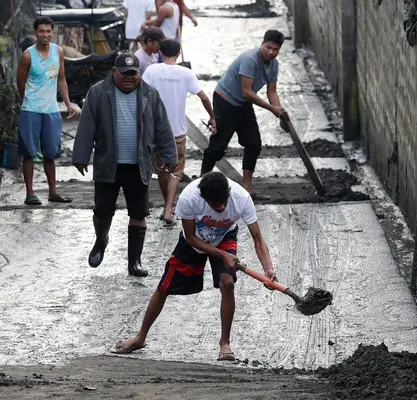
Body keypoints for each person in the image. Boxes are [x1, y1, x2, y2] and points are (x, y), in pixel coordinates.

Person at [113, 172, 276, 360]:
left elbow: (258, 238)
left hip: (225, 237)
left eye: (224, 203)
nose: (222, 208)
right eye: (217, 206)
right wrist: (221, 255)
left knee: (227, 283)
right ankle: (140, 337)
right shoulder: (190, 197)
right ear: (204, 198)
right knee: (164, 286)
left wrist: (268, 269)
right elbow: (190, 237)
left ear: (228, 193)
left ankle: (225, 344)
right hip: (195, 240)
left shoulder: (242, 198)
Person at [72, 53, 178, 277]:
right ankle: (101, 240)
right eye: (124, 73)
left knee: (139, 212)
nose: (129, 78)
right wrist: (81, 155)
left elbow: (162, 126)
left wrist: (170, 155)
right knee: (103, 210)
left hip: (139, 164)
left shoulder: (150, 94)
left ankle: (135, 262)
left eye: (134, 73)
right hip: (108, 162)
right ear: (114, 72)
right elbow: (87, 124)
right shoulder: (99, 92)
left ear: (140, 73)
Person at [201, 29, 288, 201]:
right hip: (225, 99)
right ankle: (202, 185)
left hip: (243, 103)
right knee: (218, 146)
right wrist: (272, 109)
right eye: (268, 47)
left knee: (254, 144)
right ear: (262, 43)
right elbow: (247, 92)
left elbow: (272, 91)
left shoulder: (274, 64)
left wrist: (279, 112)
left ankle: (247, 187)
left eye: (275, 49)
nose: (271, 52)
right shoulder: (250, 60)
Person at [142, 39, 216, 225]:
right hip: (177, 131)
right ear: (179, 54)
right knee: (176, 170)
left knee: (161, 171)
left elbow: (140, 95)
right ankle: (169, 208)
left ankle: (166, 207)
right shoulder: (186, 73)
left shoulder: (151, 71)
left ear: (160, 52)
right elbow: (204, 97)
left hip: (156, 131)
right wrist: (212, 117)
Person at [16, 17, 78, 206]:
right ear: (35, 33)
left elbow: (61, 79)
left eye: (48, 31)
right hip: (31, 109)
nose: (45, 35)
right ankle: (30, 193)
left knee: (51, 153)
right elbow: (20, 82)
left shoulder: (58, 52)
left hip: (51, 109)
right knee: (29, 153)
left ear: (52, 32)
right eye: (41, 31)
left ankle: (53, 191)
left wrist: (68, 103)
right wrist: (27, 99)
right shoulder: (27, 56)